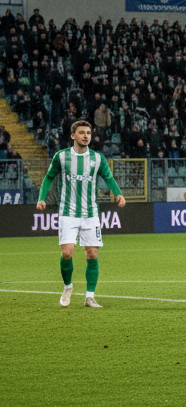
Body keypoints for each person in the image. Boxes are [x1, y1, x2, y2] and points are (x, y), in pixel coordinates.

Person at [36, 120, 126, 308]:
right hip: (67, 213)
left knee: (92, 253)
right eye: (81, 132)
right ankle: (68, 286)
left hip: (90, 213)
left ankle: (90, 297)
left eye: (88, 133)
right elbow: (49, 177)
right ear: (73, 135)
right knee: (67, 253)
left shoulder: (97, 158)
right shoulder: (61, 157)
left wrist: (118, 194)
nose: (86, 136)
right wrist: (42, 198)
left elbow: (108, 177)